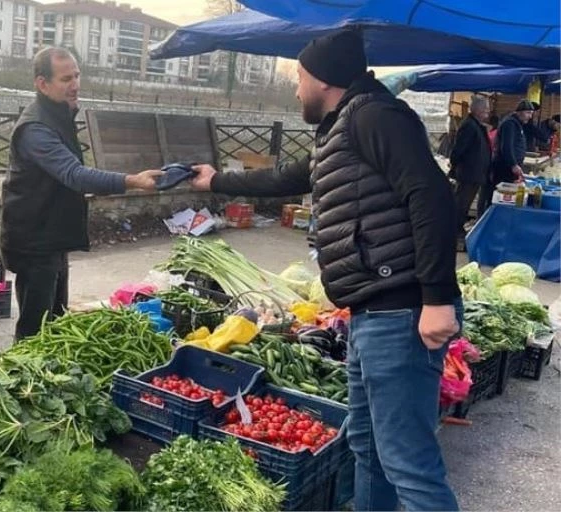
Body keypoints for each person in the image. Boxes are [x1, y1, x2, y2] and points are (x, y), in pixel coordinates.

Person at [189, 30, 461, 511]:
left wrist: (437, 298)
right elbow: (284, 178)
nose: (296, 89)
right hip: (370, 314)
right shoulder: (339, 130)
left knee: (407, 462)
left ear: (323, 80)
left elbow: (431, 196)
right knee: (368, 448)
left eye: (299, 78)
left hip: (400, 309)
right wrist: (217, 180)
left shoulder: (377, 117)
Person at [0, 47, 161, 340]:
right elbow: (74, 174)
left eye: (77, 75)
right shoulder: (36, 127)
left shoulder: (58, 114)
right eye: (65, 79)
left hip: (52, 237)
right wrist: (132, 181)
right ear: (42, 83)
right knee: (35, 331)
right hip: (34, 241)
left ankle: (52, 381)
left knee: (57, 322)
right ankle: (25, 383)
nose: (75, 84)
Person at [449, 96, 492, 245]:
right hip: (468, 174)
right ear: (477, 110)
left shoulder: (477, 125)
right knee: (460, 205)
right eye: (486, 110)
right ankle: (454, 233)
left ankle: (457, 230)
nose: (488, 112)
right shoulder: (469, 126)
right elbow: (458, 150)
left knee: (464, 205)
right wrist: (455, 166)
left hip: (475, 174)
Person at [490, 100, 534, 192]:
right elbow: (507, 146)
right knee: (499, 192)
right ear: (519, 112)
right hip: (504, 167)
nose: (530, 116)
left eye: (531, 113)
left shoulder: (518, 124)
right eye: (528, 113)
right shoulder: (510, 124)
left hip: (511, 167)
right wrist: (513, 164)